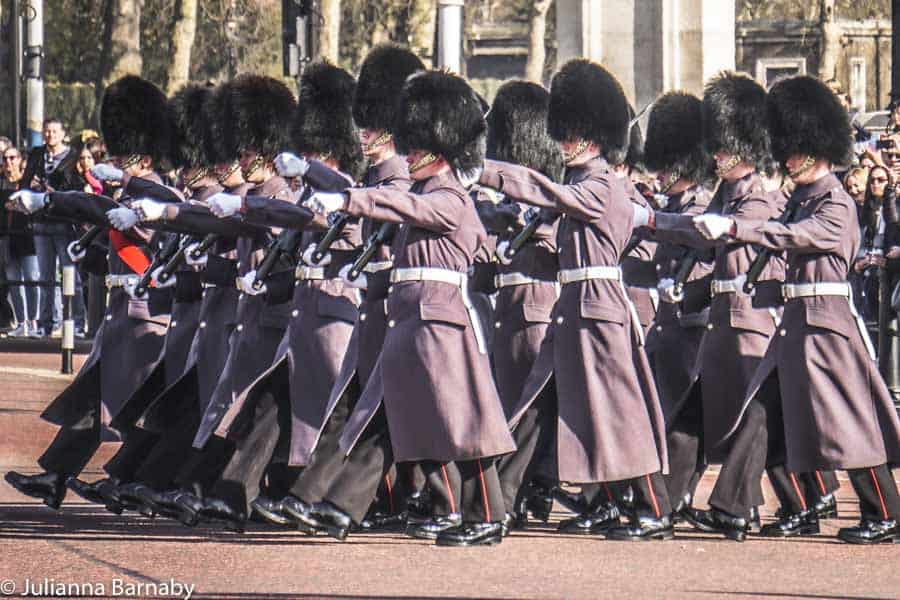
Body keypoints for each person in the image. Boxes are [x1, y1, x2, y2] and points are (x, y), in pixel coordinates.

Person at [301, 69, 516, 547]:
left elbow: (405, 208)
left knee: (465, 422)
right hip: (414, 319)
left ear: (440, 152)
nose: (409, 156)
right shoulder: (424, 190)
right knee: (425, 420)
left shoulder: (450, 198)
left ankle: (488, 516)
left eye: (417, 150)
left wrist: (350, 199)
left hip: (445, 323)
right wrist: (313, 173)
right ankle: (443, 506)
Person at [692, 74, 900, 545]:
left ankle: (886, 510)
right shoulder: (801, 197)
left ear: (816, 148)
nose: (786, 159)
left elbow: (793, 237)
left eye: (793, 149)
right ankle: (799, 507)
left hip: (828, 325)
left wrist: (733, 229)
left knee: (848, 420)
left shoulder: (836, 201)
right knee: (764, 415)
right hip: (794, 327)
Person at [479, 59, 674, 542]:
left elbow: (542, 191)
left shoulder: (603, 186)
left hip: (601, 307)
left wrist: (480, 169)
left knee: (620, 409)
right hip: (573, 306)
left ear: (591, 138)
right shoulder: (582, 184)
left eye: (569, 135)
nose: (561, 143)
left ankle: (654, 507)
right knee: (552, 405)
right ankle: (597, 500)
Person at [4, 76, 175, 511]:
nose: (119, 162)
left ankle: (138, 479)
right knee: (90, 399)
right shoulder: (131, 193)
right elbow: (106, 252)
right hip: (121, 310)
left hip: (147, 313)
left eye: (127, 156)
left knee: (136, 403)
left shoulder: (154, 194)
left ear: (146, 156)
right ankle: (57, 475)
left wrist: (54, 202)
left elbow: (112, 213)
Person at [21, 118, 86, 337]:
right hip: (41, 220)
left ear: (63, 134)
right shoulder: (37, 154)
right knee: (45, 276)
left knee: (71, 273)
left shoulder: (72, 156)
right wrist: (30, 187)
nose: (50, 135)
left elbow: (77, 186)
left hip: (64, 221)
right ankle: (46, 323)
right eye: (47, 131)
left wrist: (55, 191)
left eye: (54, 131)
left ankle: (78, 322)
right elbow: (24, 181)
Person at [0, 146, 38, 337]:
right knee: (14, 281)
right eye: (5, 158)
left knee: (32, 279)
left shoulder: (28, 183)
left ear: (19, 159)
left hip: (28, 237)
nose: (8, 162)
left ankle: (34, 321)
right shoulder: (1, 184)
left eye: (12, 158)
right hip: (7, 238)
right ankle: (21, 322)